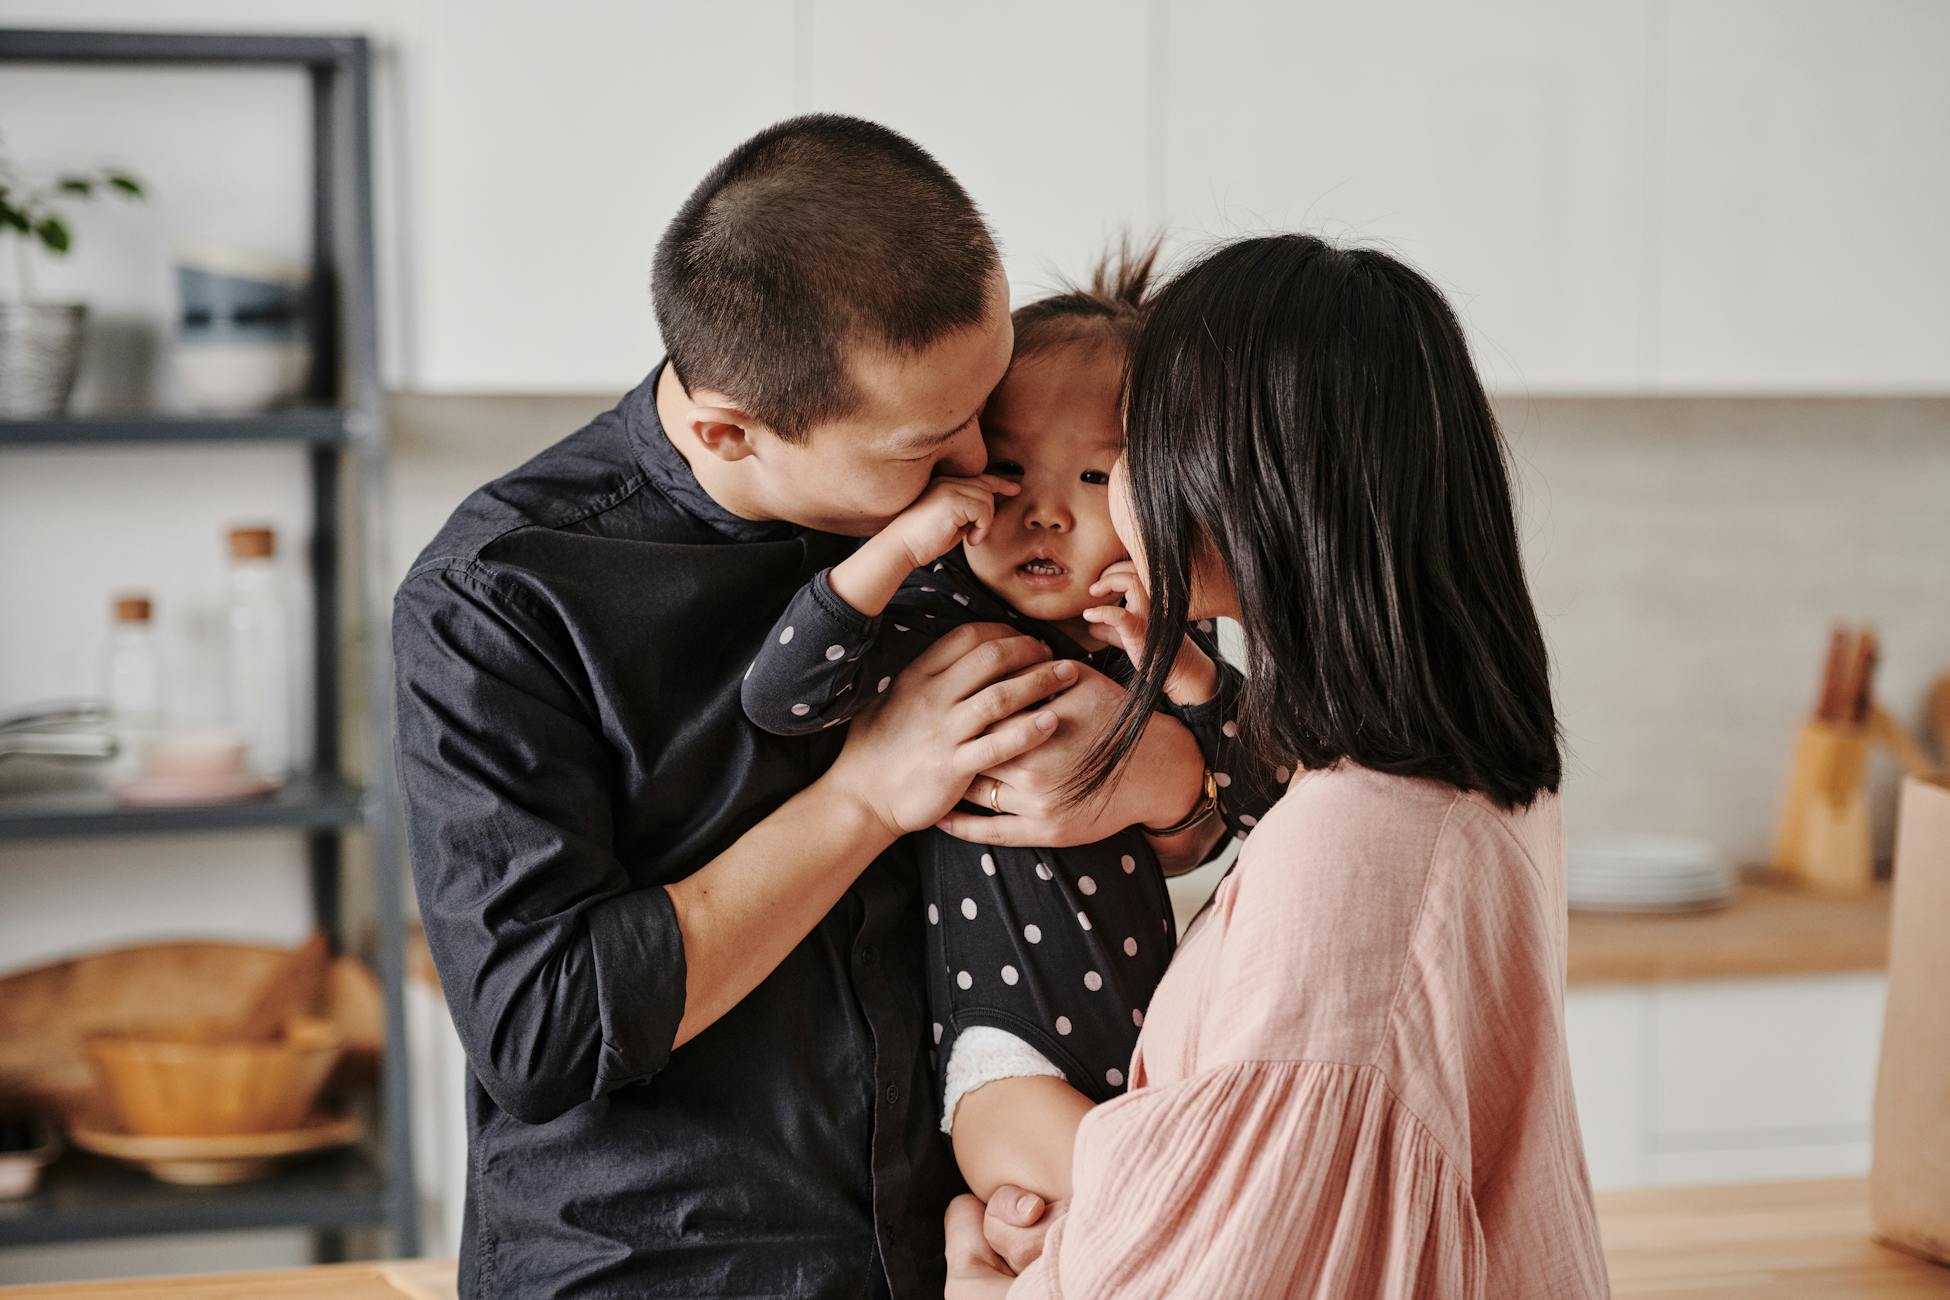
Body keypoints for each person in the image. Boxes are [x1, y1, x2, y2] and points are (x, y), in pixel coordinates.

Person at [392, 115, 1219, 1298]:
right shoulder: (502, 599)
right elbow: (545, 1029)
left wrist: (1163, 776)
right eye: (931, 441)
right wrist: (866, 797)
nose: (986, 461)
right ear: (731, 427)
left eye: (986, 400)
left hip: (964, 1254)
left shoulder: (992, 527)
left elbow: (1229, 783)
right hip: (665, 1268)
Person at [946, 234, 1611, 1298]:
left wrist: (1000, 1283)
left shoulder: (1355, 846)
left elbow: (1238, 1255)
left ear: (1236, 480)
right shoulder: (1457, 780)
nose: (1116, 495)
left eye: (1133, 448)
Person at [741, 243, 1283, 1210]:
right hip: (1003, 1045)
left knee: (1149, 1234)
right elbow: (781, 697)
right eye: (1009, 468)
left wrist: (1190, 672)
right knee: (1186, 1210)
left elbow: (1258, 798)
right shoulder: (931, 612)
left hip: (1159, 1037)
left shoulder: (1159, 627)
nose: (1041, 512)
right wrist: (896, 549)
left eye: (1091, 478)